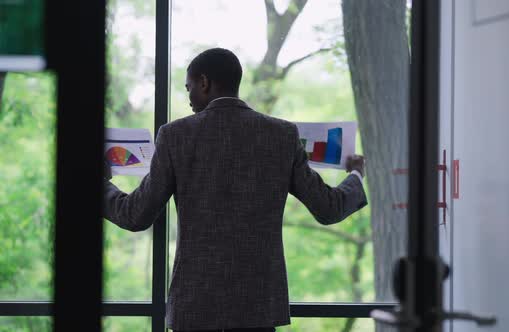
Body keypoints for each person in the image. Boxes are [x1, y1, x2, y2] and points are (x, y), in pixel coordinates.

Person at [102, 48, 368, 332]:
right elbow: (328, 208)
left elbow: (135, 215)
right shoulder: (282, 135)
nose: (189, 98)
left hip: (195, 308)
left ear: (204, 82)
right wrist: (355, 174)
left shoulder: (175, 136)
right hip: (257, 309)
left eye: (189, 88)